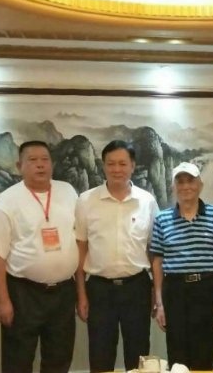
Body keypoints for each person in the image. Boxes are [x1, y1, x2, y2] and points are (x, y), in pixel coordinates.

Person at [0, 141, 80, 373]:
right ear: (19, 166)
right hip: (23, 293)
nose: (40, 165)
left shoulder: (68, 191)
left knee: (59, 358)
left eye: (45, 159)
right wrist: (2, 300)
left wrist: (81, 292)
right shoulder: (7, 201)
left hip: (63, 292)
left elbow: (79, 240)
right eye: (33, 160)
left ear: (52, 164)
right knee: (18, 359)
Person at [75, 140, 159, 372]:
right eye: (111, 164)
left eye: (122, 163)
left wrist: (156, 291)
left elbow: (154, 251)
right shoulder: (86, 201)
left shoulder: (147, 201)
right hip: (99, 290)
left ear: (132, 166)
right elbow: (80, 249)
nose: (117, 169)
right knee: (100, 355)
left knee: (138, 354)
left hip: (137, 288)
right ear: (103, 166)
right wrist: (81, 294)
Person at [149, 161, 213, 370]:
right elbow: (157, 263)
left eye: (191, 181)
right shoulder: (162, 219)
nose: (186, 186)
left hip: (207, 289)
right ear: (174, 187)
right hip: (175, 290)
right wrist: (159, 303)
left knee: (204, 351)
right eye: (180, 181)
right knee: (177, 353)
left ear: (200, 185)